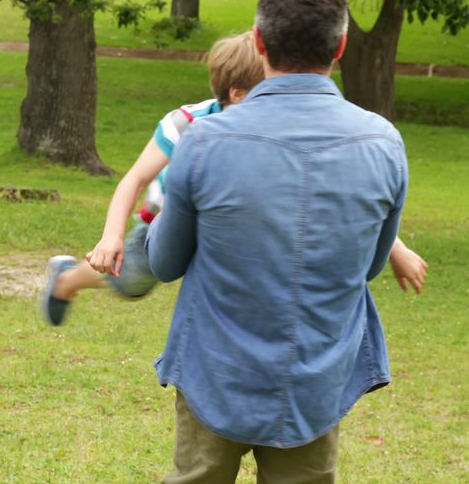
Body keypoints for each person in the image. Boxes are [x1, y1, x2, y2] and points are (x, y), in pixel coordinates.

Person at [145, 0, 408, 484]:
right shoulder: (383, 143)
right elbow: (373, 265)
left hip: (215, 372)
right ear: (342, 46)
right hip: (316, 376)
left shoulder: (204, 142)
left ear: (260, 41)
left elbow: (163, 263)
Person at [38, 33, 426, 327]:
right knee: (131, 281)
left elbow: (336, 194)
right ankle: (66, 280)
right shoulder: (185, 124)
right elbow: (135, 179)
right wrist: (111, 237)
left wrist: (396, 247)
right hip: (166, 222)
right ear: (238, 94)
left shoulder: (274, 134)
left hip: (232, 224)